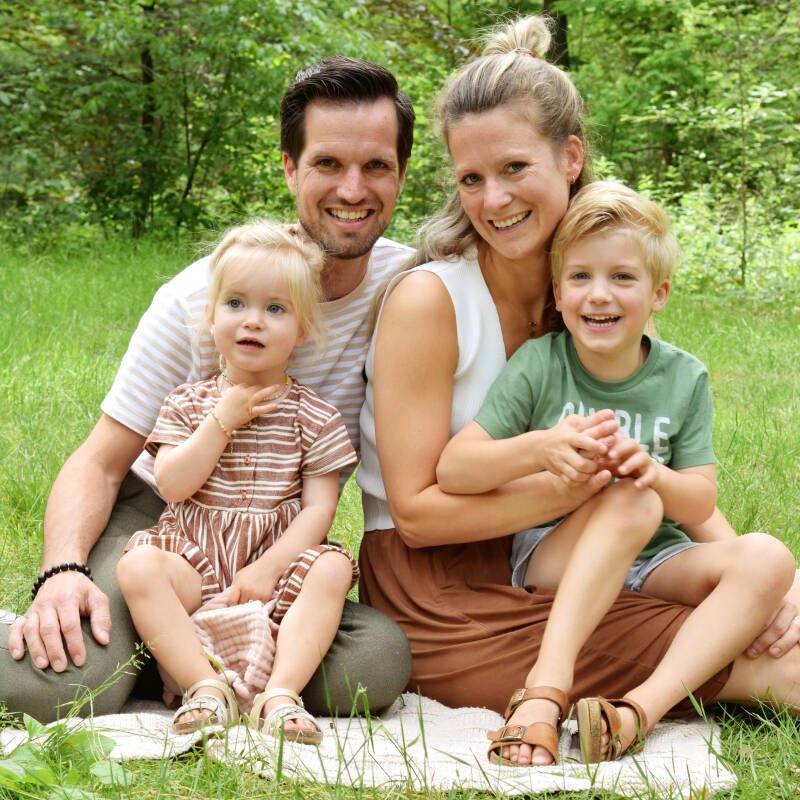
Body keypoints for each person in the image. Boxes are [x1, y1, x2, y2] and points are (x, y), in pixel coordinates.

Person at [356, 14, 800, 770]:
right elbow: (420, 518)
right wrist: (576, 489)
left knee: (766, 600)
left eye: (514, 168)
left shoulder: (594, 293)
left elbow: (653, 449)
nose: (493, 200)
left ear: (570, 157)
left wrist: (763, 585)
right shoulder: (431, 302)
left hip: (587, 553)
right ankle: (636, 698)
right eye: (471, 178)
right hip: (444, 593)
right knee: (780, 662)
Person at [2, 56, 415, 722]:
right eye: (328, 163)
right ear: (290, 168)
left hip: (280, 536)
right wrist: (63, 571)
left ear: (401, 174)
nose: (352, 188)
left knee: (374, 667)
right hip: (169, 520)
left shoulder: (412, 290)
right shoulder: (204, 296)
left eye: (376, 166)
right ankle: (160, 640)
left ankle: (180, 650)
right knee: (56, 688)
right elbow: (102, 462)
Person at [435, 181, 796, 763]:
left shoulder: (684, 377)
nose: (598, 294)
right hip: (556, 554)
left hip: (655, 561)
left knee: (769, 558)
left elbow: (699, 502)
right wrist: (541, 448)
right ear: (558, 292)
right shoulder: (540, 364)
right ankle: (544, 692)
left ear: (659, 294)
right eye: (580, 276)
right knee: (631, 499)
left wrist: (654, 471)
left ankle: (636, 713)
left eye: (622, 277)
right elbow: (455, 469)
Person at [117, 220, 361, 741]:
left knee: (333, 567)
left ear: (302, 330)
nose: (253, 320)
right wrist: (220, 421)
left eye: (275, 309)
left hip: (276, 562)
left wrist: (270, 568)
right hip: (196, 563)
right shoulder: (187, 404)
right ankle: (205, 687)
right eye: (235, 304)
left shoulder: (316, 416)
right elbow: (172, 485)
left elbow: (320, 509)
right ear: (210, 317)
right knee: (137, 565)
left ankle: (281, 694)